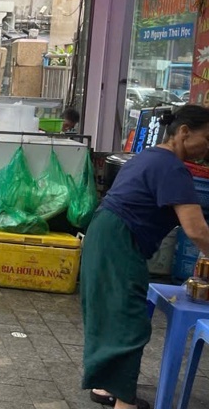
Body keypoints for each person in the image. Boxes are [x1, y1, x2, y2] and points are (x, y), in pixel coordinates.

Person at [80, 105, 209, 409]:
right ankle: (123, 403)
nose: (208, 147)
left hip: (105, 232)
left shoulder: (152, 156)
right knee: (128, 321)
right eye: (207, 138)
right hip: (119, 240)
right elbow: (197, 230)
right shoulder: (173, 167)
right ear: (184, 132)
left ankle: (103, 387)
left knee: (108, 313)